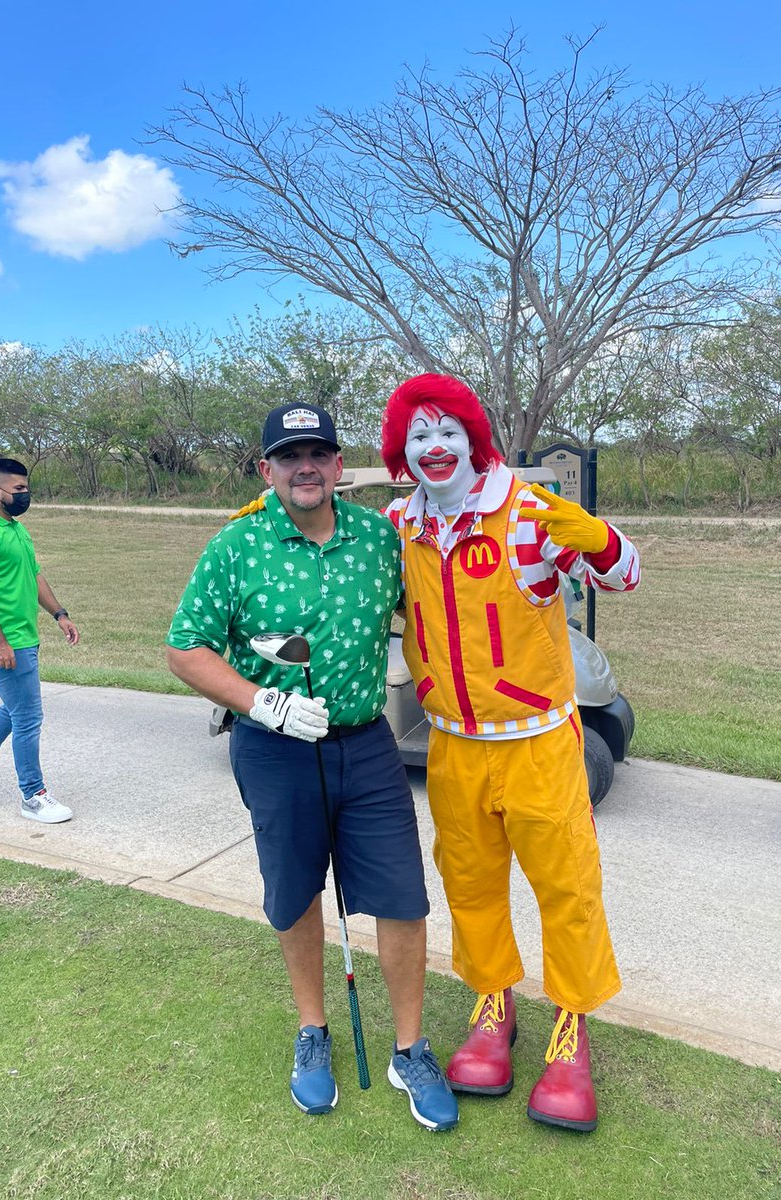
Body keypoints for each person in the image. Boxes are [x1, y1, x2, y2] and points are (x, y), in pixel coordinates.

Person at [165, 403, 458, 1132]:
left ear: (337, 465)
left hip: (366, 745)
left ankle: (410, 1049)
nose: (306, 468)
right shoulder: (236, 545)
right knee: (295, 892)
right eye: (290, 456)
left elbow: (434, 608)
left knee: (403, 897)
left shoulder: (378, 538)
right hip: (274, 750)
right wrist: (261, 701)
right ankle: (312, 1031)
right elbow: (185, 646)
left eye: (318, 454)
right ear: (267, 469)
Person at [381, 374, 640, 1132]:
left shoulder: (526, 513)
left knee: (567, 886)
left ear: (473, 439)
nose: (434, 447)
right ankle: (494, 1004)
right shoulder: (399, 524)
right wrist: (274, 515)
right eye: (418, 434)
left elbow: (625, 575)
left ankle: (570, 1028)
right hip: (454, 746)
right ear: (402, 449)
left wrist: (596, 536)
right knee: (469, 885)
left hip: (538, 744)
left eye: (448, 431)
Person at [0, 457, 79, 823]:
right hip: (4, 643)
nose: (25, 494)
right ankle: (33, 796)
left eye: (26, 487)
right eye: (18, 488)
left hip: (23, 638)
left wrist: (59, 614)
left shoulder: (15, 528)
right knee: (28, 716)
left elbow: (34, 576)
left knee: (14, 708)